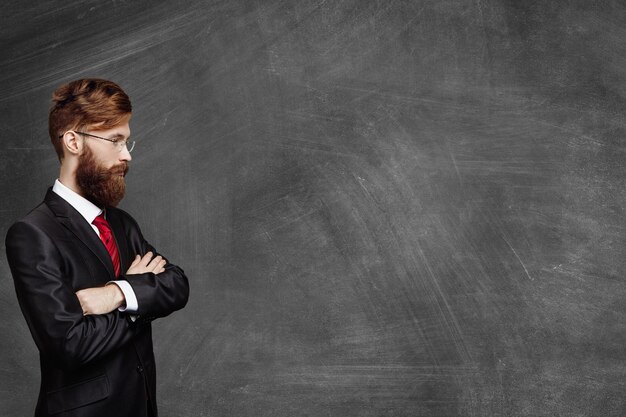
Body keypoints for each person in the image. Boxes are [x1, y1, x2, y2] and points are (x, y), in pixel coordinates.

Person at [5, 78, 189, 417]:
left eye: (127, 142)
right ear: (73, 141)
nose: (126, 155)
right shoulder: (32, 234)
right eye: (116, 140)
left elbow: (176, 284)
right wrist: (135, 299)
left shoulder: (122, 224)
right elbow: (70, 344)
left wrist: (115, 294)